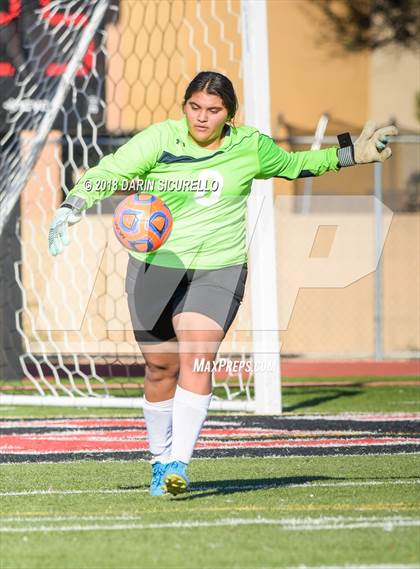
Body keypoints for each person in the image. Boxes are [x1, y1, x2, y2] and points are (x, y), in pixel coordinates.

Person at [48, 71, 397, 496]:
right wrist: (73, 203)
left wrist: (351, 155)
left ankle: (179, 464)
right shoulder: (160, 139)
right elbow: (111, 170)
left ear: (229, 114)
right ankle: (159, 461)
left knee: (198, 354)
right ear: (185, 106)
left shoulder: (248, 146)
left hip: (219, 267)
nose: (202, 117)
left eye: (213, 110)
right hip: (154, 266)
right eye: (195, 107)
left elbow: (294, 165)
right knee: (161, 367)